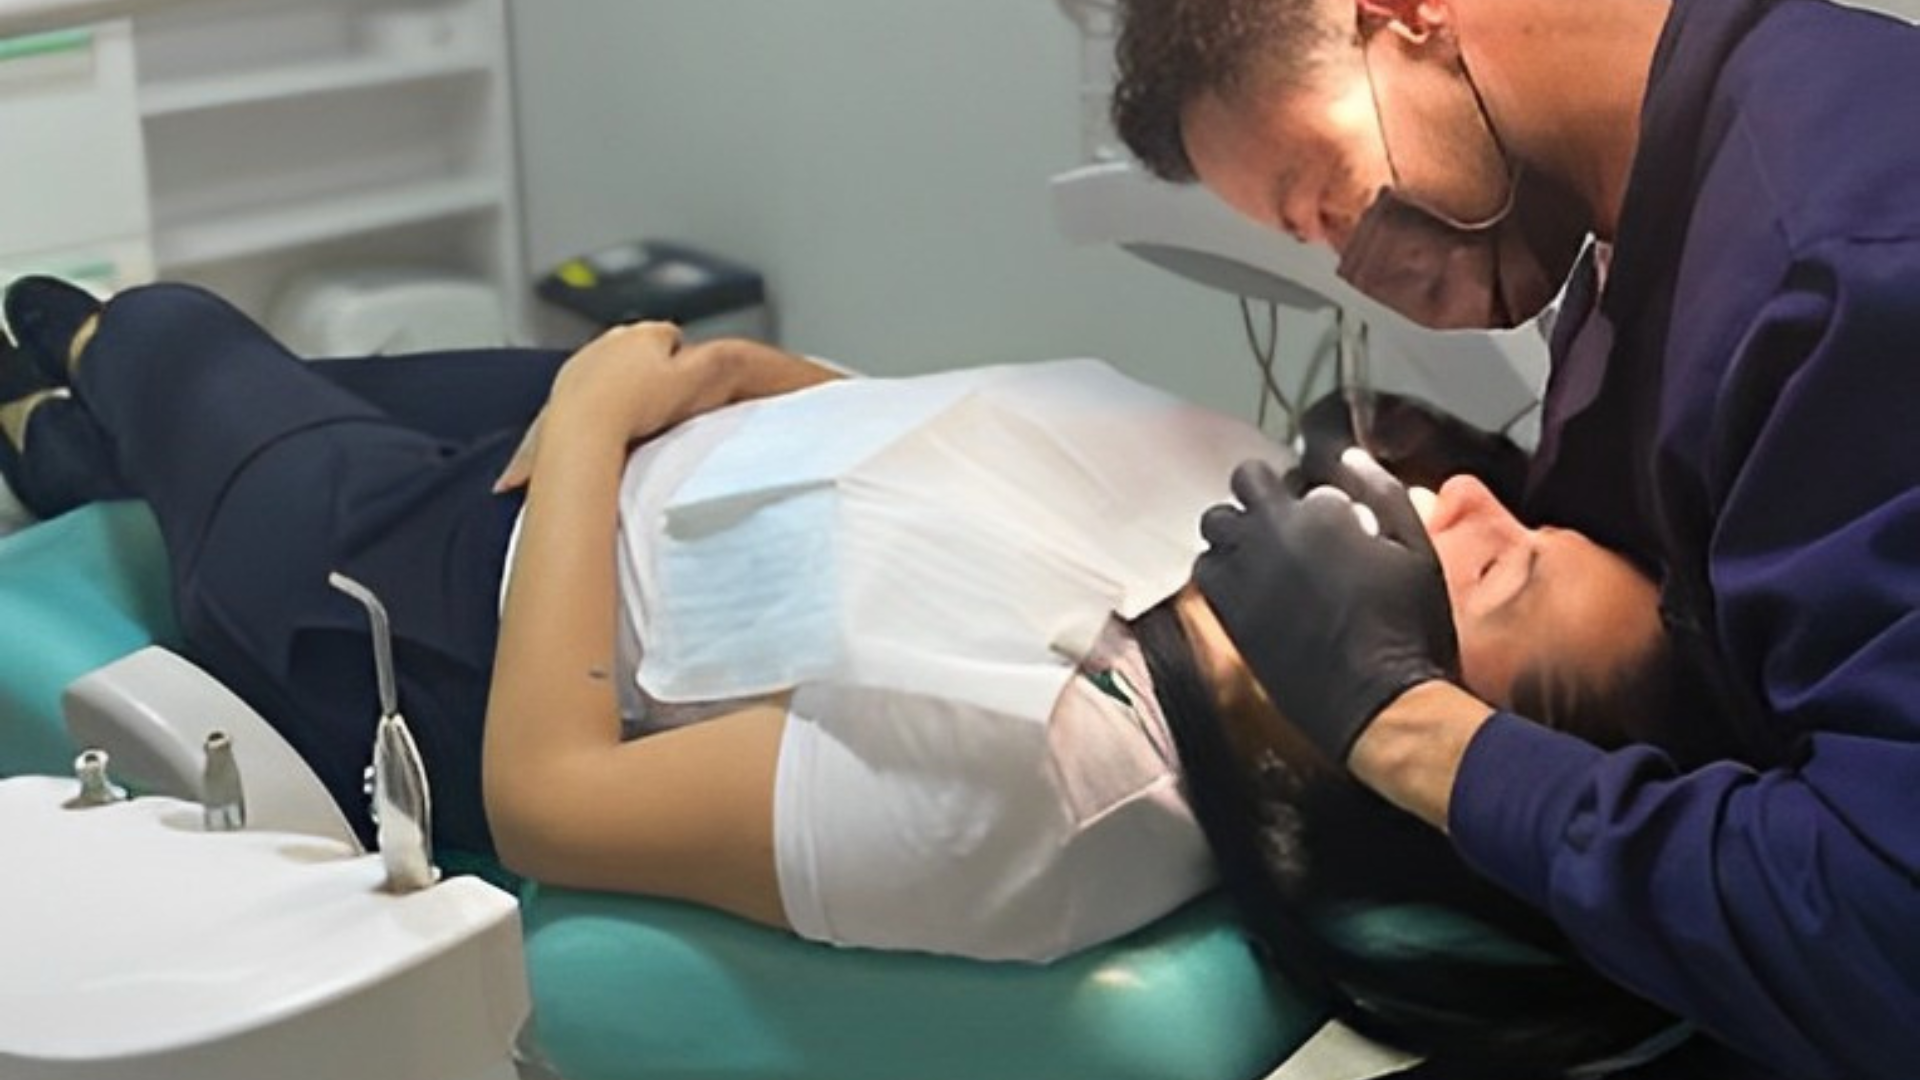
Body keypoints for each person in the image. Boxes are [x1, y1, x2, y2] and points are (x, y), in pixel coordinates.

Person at [2, 278, 1677, 1064]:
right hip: (634, 457)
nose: (1473, 503)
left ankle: (79, 396)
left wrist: (587, 426)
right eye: (1524, 515)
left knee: (164, 331)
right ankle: (75, 459)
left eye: (1506, 573)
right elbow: (957, 475)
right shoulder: (1250, 532)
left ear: (1425, 732)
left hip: (451, 610)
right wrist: (759, 371)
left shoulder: (1041, 798)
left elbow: (550, 798)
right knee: (274, 395)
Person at [1109, 0, 1920, 1076]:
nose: (1360, 263)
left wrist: (1404, 721)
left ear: (1406, 16)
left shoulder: (1840, 261)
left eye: (1332, 201)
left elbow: (1890, 937)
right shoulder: (1634, 263)